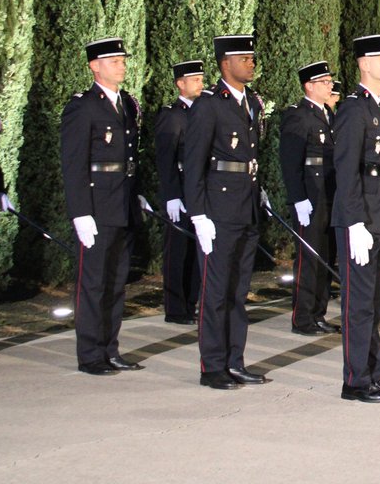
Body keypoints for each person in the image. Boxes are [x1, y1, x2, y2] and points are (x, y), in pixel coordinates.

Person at [183, 34, 269, 389]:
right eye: (243, 58)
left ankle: (236, 360)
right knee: (216, 292)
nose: (250, 62)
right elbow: (194, 163)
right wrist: (199, 214)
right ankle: (213, 366)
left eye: (251, 57)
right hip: (218, 211)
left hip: (245, 206)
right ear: (224, 64)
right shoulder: (208, 105)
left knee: (238, 291)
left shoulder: (250, 102)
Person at [331, 34, 380, 403]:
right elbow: (346, 170)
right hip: (361, 218)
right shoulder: (353, 108)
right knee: (359, 302)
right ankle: (355, 381)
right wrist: (353, 222)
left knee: (374, 302)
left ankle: (373, 375)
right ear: (364, 63)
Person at [61, 37, 144, 375]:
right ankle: (91, 354)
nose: (121, 65)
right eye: (113, 61)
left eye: (122, 60)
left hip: (122, 203)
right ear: (95, 66)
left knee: (116, 281)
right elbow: (74, 163)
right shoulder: (83, 106)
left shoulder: (126, 103)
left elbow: (128, 158)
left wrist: (136, 194)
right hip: (96, 206)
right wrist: (80, 211)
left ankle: (110, 348)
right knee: (94, 283)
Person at [279, 60, 338, 335]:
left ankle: (318, 312)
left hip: (329, 195)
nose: (329, 86)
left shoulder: (329, 115)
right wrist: (298, 198)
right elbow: (291, 162)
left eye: (329, 81)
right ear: (309, 86)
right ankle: (302, 317)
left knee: (326, 256)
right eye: (324, 82)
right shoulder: (298, 115)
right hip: (310, 199)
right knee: (309, 257)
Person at [154, 60, 206, 325]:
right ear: (180, 83)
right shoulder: (172, 115)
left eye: (201, 78)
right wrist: (171, 195)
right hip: (181, 189)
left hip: (200, 189)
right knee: (178, 251)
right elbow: (165, 159)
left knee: (198, 249)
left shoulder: (202, 112)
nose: (201, 83)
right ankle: (175, 308)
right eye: (195, 79)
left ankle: (192, 302)